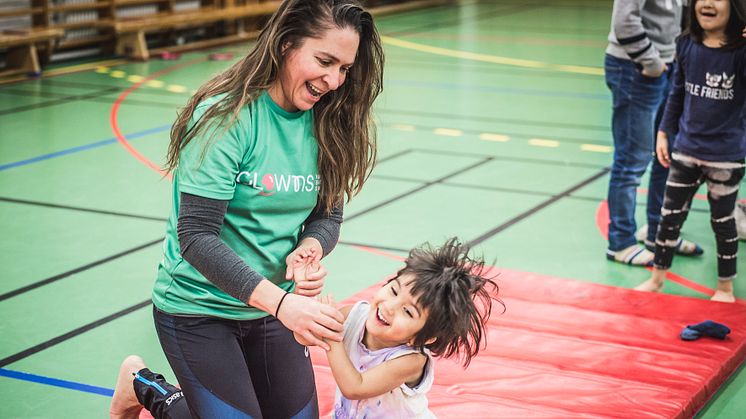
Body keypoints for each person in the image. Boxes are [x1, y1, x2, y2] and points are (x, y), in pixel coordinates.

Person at [110, 0, 385, 417]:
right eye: (324, 60)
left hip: (273, 310)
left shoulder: (329, 121)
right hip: (198, 308)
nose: (333, 80)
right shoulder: (227, 119)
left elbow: (327, 214)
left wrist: (311, 244)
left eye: (344, 68)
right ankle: (144, 385)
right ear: (286, 43)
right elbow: (197, 238)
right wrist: (284, 304)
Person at [110, 238, 502, 419]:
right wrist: (305, 300)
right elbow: (305, 335)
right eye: (393, 290)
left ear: (424, 336)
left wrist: (330, 340)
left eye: (408, 312)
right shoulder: (359, 314)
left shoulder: (410, 360)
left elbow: (355, 387)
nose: (389, 307)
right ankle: (144, 385)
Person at [635, 0, 746, 302]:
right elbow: (677, 91)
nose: (707, 3)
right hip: (686, 149)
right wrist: (663, 132)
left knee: (723, 225)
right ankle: (657, 279)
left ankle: (725, 287)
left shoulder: (740, 52)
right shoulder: (686, 44)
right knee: (669, 217)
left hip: (725, 155)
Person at [604, 0, 694, 266]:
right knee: (632, 160)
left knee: (667, 153)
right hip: (635, 67)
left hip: (667, 64)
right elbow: (624, 21)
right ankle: (620, 242)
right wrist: (651, 62)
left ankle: (658, 233)